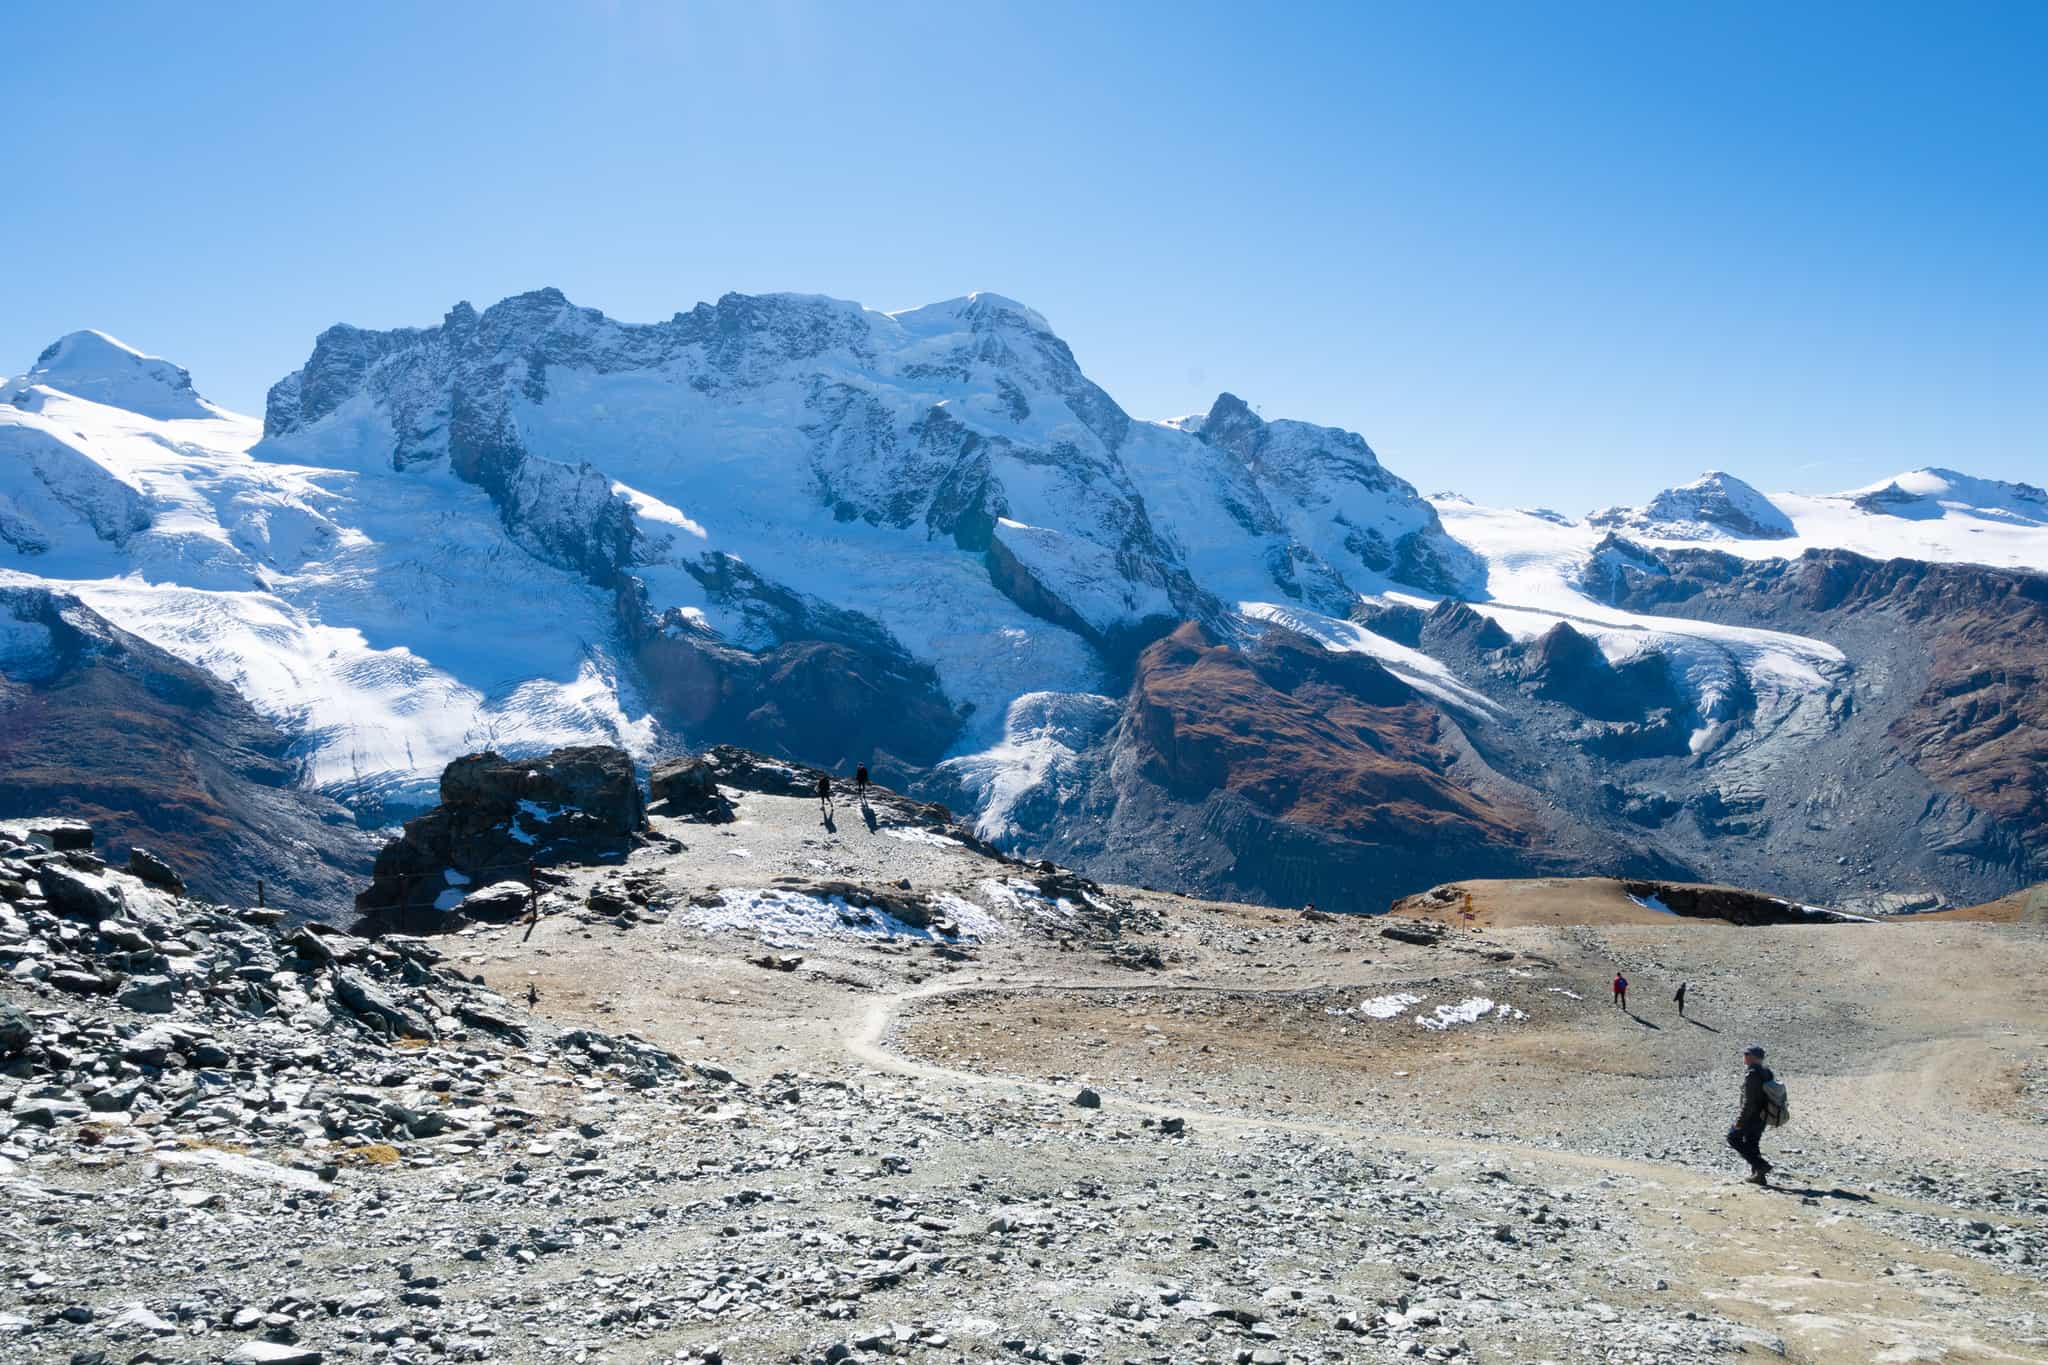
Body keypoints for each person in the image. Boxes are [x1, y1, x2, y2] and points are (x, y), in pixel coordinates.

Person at [1726, 1044, 1775, 1185]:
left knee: (1732, 1138)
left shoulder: (1753, 1074)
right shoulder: (1767, 1072)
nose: (1744, 1057)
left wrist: (1739, 1122)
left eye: (1746, 1054)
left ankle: (1761, 1166)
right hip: (1764, 1115)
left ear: (1752, 1057)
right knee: (1752, 1143)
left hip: (1752, 1116)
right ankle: (1759, 1176)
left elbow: (1749, 1102)